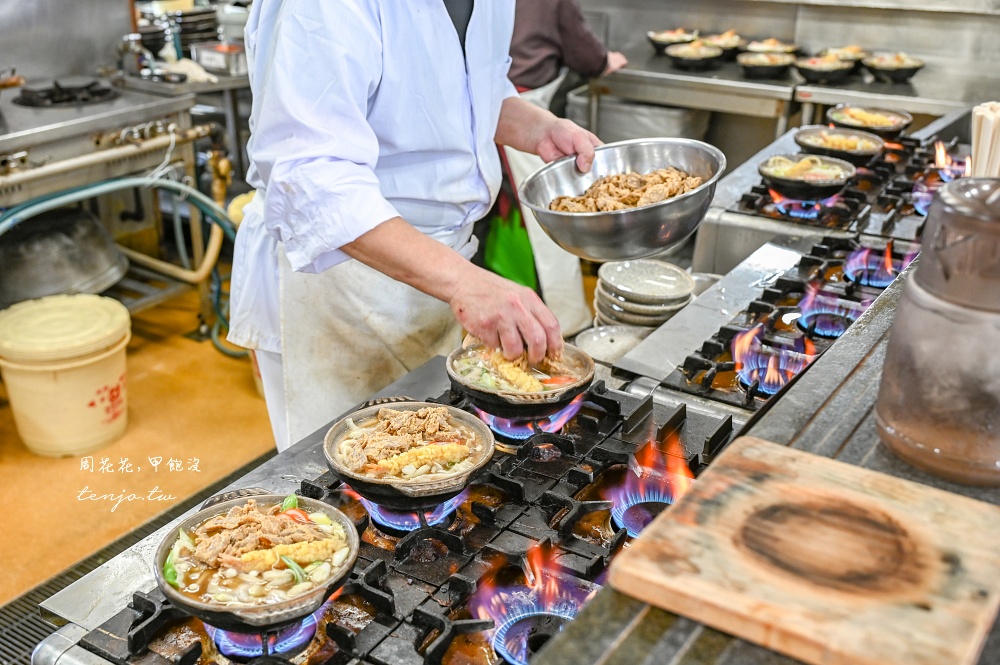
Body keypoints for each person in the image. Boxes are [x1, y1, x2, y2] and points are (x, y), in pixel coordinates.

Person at [227, 0, 602, 451]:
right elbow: (311, 175)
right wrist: (466, 282)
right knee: (350, 469)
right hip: (340, 281)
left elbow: (467, 85)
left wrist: (539, 128)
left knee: (430, 460)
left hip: (436, 274)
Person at [504, 0, 628, 335]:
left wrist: (543, 129)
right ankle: (567, 324)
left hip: (515, 115)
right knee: (548, 234)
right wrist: (606, 61)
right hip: (518, 110)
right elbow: (586, 55)